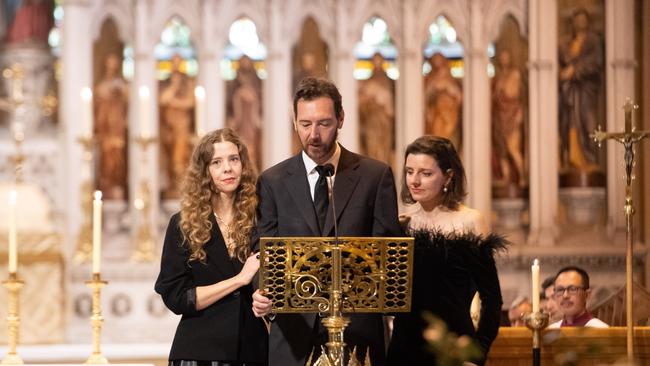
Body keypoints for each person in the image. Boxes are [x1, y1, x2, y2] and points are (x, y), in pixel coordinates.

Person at [251, 77, 402, 366]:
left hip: (357, 332)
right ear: (294, 121)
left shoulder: (374, 176)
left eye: (324, 123)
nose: (314, 135)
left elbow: (386, 252)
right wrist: (262, 294)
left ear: (341, 119)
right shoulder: (272, 182)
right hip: (294, 336)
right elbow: (264, 251)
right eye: (305, 124)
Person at [387, 136, 505, 366]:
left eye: (426, 173)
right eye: (409, 171)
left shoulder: (470, 220)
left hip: (454, 348)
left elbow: (492, 299)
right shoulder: (403, 223)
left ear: (449, 176)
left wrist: (478, 353)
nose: (415, 180)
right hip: (404, 350)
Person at [155, 128, 267, 365]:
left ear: (243, 165)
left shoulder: (261, 219)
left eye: (233, 159)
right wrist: (239, 280)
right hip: (199, 352)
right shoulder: (183, 224)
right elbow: (177, 297)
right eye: (217, 162)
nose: (227, 168)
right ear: (204, 172)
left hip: (253, 349)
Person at [558, 8, 603, 173]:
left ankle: (590, 158)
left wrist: (575, 71)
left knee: (588, 122)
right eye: (576, 20)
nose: (579, 23)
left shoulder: (593, 41)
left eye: (583, 20)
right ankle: (572, 160)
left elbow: (596, 62)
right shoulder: (568, 43)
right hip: (570, 92)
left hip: (587, 90)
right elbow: (561, 64)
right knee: (570, 124)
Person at [159, 54, 196, 198]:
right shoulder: (166, 82)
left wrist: (173, 102)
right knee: (168, 160)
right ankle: (172, 185)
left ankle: (180, 185)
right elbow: (163, 99)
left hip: (183, 126)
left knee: (179, 159)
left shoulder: (188, 82)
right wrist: (174, 86)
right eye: (173, 62)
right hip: (168, 128)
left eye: (178, 62)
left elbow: (190, 102)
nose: (176, 66)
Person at [94, 53, 128, 200]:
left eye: (115, 63)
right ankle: (107, 183)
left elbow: (128, 96)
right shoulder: (101, 84)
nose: (112, 67)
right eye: (110, 63)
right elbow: (98, 96)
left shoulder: (121, 84)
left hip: (118, 129)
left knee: (118, 158)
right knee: (107, 160)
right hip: (106, 129)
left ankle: (117, 183)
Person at [491, 48, 525, 189]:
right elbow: (494, 97)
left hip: (512, 115)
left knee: (513, 148)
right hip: (500, 117)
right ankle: (505, 177)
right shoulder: (498, 77)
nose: (504, 60)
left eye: (506, 57)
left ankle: (523, 177)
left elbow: (516, 95)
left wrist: (518, 114)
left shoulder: (515, 74)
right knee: (502, 150)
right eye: (501, 57)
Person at [358, 52, 395, 164]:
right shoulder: (367, 82)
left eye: (379, 61)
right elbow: (361, 105)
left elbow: (391, 105)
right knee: (372, 146)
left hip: (384, 121)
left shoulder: (389, 82)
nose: (377, 64)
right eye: (375, 61)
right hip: (371, 122)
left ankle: (383, 164)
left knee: (384, 148)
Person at [227, 55, 262, 168]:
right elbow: (228, 100)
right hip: (239, 121)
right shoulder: (234, 83)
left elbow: (261, 97)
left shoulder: (257, 82)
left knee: (254, 148)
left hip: (253, 121)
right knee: (240, 146)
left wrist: (252, 97)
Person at [424, 53, 462, 149]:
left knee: (449, 139)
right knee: (436, 139)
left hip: (449, 115)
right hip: (436, 115)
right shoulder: (430, 80)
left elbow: (459, 97)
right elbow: (426, 97)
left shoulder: (451, 81)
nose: (440, 70)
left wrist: (447, 87)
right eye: (436, 64)